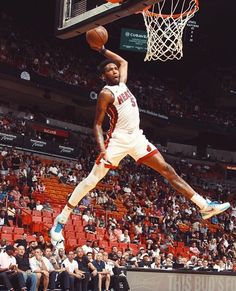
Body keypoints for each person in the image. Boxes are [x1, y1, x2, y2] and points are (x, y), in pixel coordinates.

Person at [50, 46, 230, 245]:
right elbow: (97, 124)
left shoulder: (123, 84)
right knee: (91, 181)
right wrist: (102, 150)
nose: (114, 70)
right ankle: (62, 219)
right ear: (103, 76)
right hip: (117, 142)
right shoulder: (106, 93)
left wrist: (102, 49)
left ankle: (204, 206)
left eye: (114, 68)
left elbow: (124, 62)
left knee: (167, 170)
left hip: (137, 139)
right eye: (109, 70)